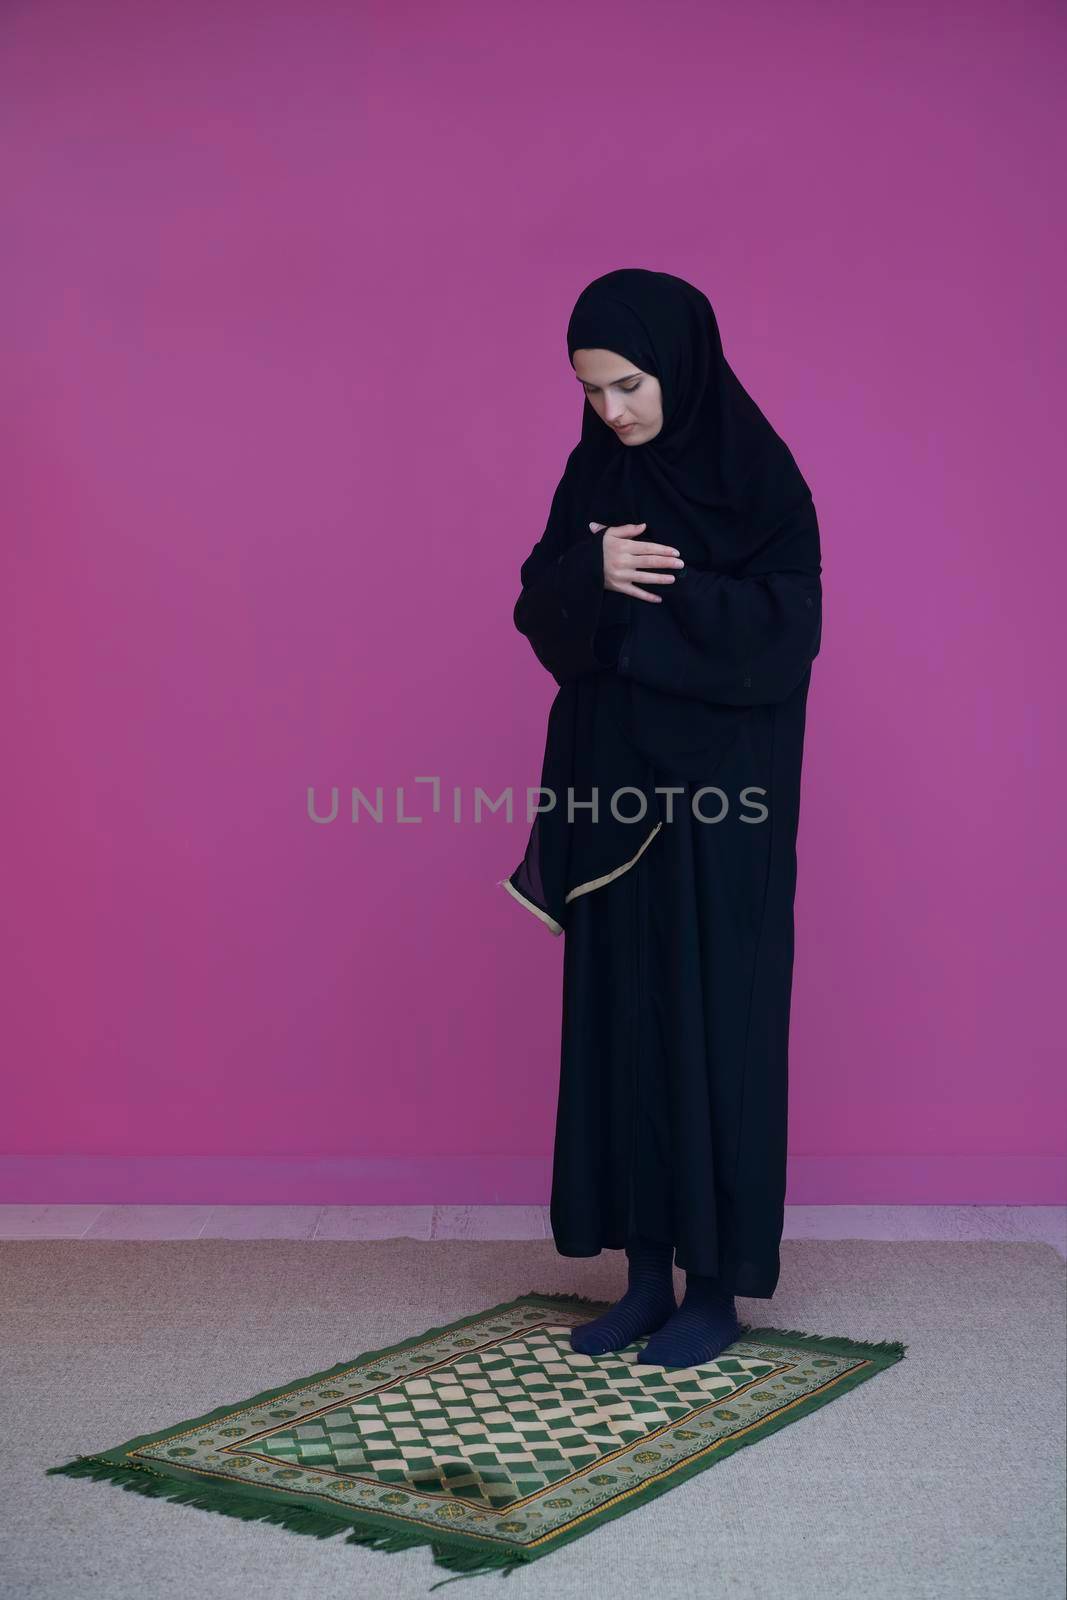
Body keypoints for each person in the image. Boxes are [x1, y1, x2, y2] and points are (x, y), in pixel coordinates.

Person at [499, 268, 822, 1369]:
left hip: (715, 810)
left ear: (677, 363)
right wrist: (589, 566)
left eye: (627, 385)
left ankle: (714, 1290)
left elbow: (783, 632)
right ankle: (640, 1276)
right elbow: (536, 606)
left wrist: (651, 608)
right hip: (611, 797)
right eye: (590, 391)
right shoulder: (595, 469)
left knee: (707, 1027)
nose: (612, 413)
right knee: (622, 1026)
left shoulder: (758, 480)